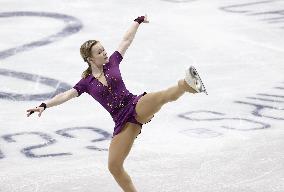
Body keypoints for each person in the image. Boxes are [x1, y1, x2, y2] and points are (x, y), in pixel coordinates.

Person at [26, 14, 206, 192]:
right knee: (114, 166)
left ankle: (186, 83)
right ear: (90, 59)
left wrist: (137, 22)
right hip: (121, 121)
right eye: (99, 52)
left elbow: (125, 41)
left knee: (161, 97)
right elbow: (66, 95)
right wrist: (44, 105)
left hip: (134, 105)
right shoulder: (86, 83)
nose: (104, 52)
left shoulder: (112, 62)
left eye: (103, 49)